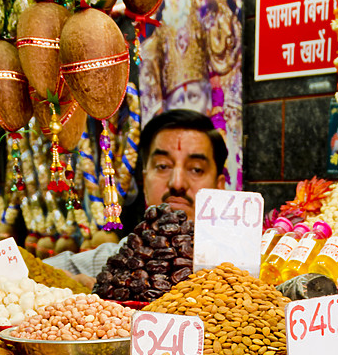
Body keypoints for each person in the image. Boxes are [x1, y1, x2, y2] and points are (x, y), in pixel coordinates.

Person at [44, 110, 228, 282]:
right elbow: (25, 270)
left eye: (196, 169)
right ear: (145, 180)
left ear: (219, 187)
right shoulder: (115, 262)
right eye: (163, 166)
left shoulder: (244, 270)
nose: (177, 183)